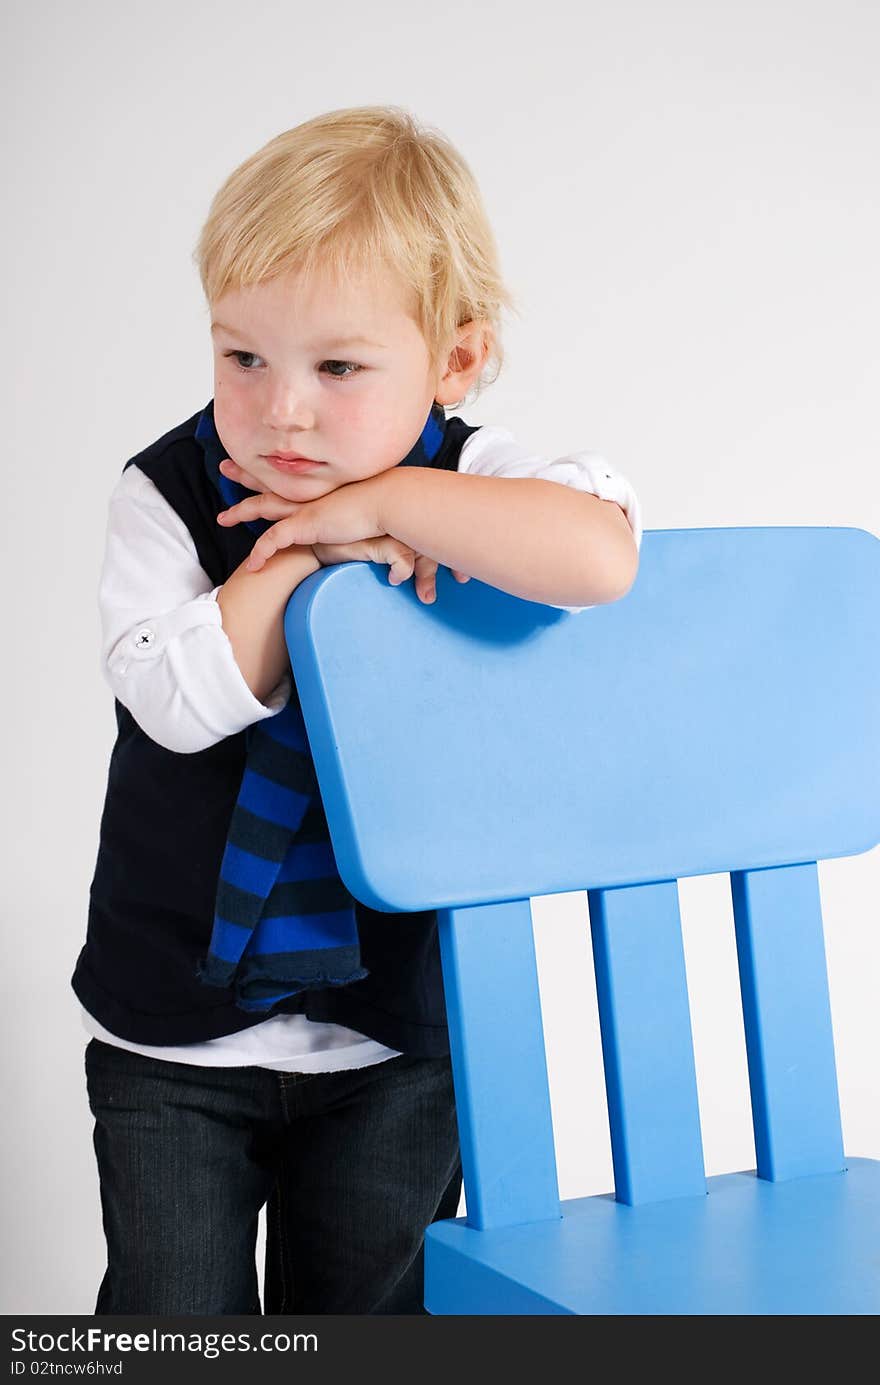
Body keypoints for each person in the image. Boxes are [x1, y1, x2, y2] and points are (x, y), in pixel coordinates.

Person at [72, 104, 643, 1315]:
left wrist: (393, 502)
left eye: (337, 368)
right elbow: (177, 703)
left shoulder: (472, 474)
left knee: (370, 1322)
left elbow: (597, 557)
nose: (282, 411)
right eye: (243, 358)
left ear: (452, 361)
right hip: (177, 1032)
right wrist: (298, 548)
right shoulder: (166, 492)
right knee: (174, 1326)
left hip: (399, 1031)